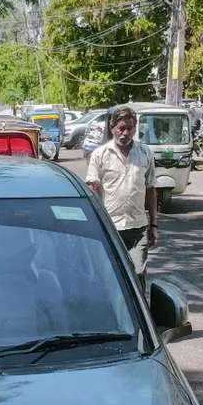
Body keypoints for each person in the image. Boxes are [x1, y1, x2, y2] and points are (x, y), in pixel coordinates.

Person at [86, 106, 158, 283]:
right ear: (112, 128)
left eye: (130, 128)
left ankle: (139, 310)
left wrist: (154, 225)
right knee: (111, 277)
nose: (126, 133)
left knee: (138, 274)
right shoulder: (100, 155)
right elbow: (92, 187)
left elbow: (150, 189)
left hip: (137, 228)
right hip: (110, 227)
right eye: (121, 128)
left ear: (135, 128)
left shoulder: (145, 153)